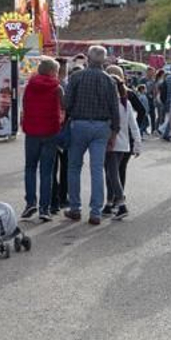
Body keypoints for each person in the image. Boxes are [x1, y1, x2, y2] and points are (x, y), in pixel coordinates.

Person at [63, 45, 121, 225]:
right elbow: (114, 108)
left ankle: (75, 208)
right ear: (103, 60)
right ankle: (95, 212)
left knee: (74, 167)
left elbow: (67, 104)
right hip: (101, 127)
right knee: (96, 170)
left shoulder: (76, 77)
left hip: (79, 125)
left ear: (87, 58)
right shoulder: (109, 80)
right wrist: (114, 132)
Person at [20, 58, 64, 222]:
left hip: (32, 131)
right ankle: (44, 209)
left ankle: (30, 202)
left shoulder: (30, 86)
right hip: (50, 132)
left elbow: (24, 106)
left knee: (30, 168)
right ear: (52, 71)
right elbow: (64, 106)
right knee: (47, 172)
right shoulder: (57, 88)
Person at [104, 67, 143, 220]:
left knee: (112, 174)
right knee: (111, 174)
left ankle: (120, 203)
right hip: (123, 144)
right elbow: (133, 125)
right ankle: (109, 203)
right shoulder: (126, 103)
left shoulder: (110, 104)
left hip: (111, 144)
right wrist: (137, 144)